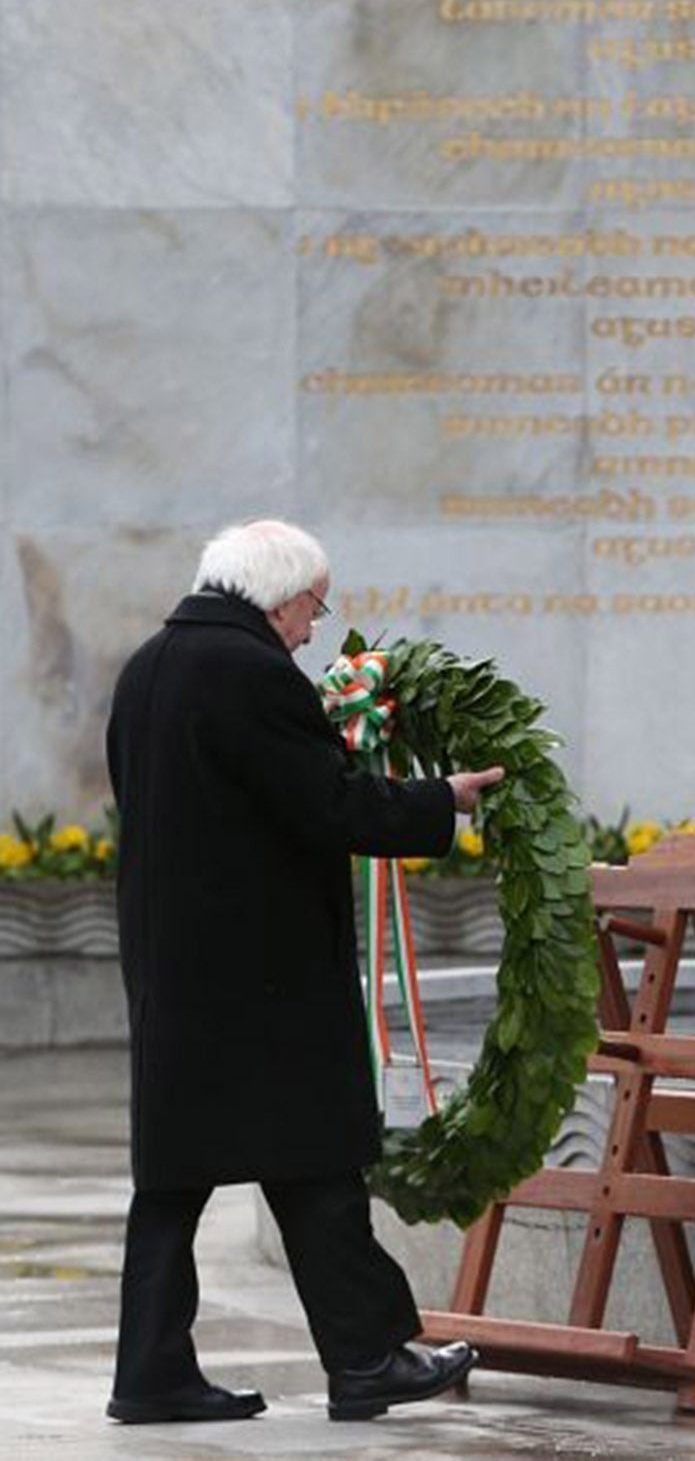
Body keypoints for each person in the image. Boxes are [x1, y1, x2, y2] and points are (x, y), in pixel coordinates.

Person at [104, 520, 505, 1424]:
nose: (314, 630)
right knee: (318, 1159)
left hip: (177, 971)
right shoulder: (248, 674)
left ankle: (152, 1372)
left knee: (173, 1181)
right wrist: (441, 800)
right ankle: (366, 1361)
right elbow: (327, 804)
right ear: (281, 596)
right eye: (314, 609)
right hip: (263, 976)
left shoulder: (149, 668)